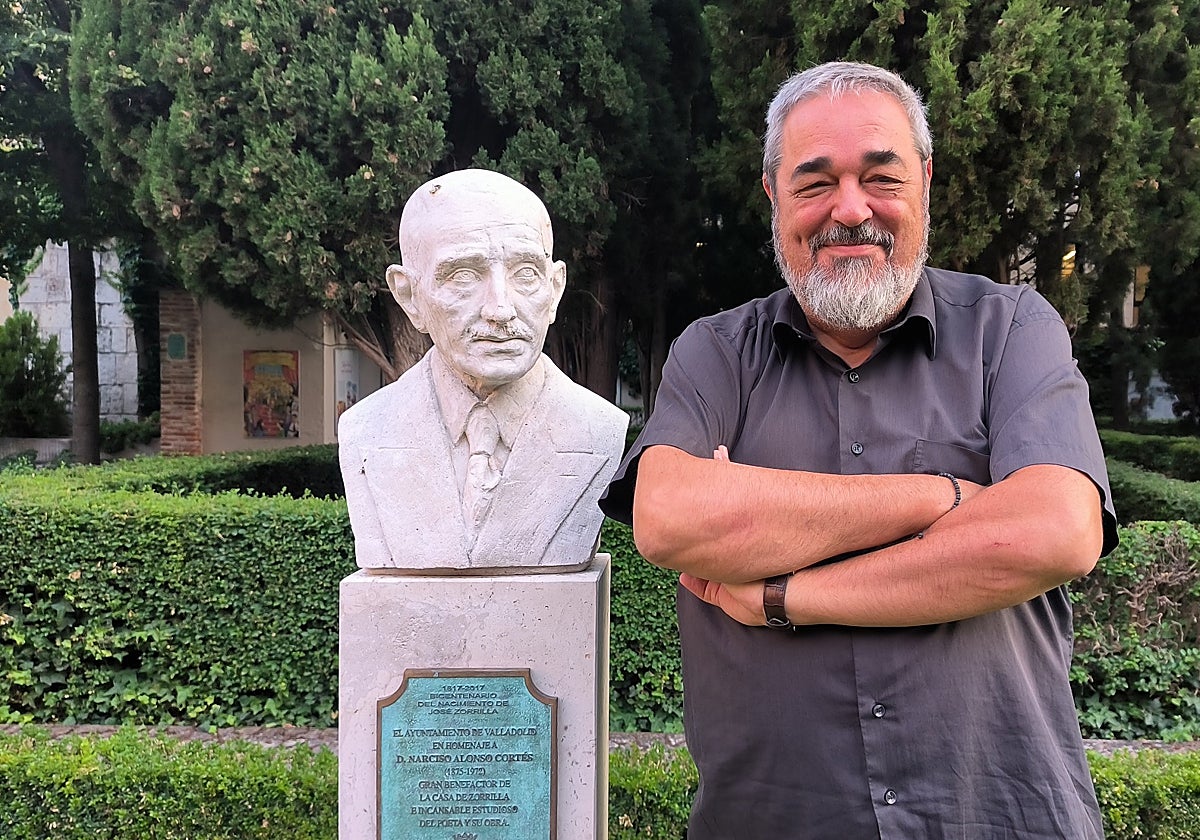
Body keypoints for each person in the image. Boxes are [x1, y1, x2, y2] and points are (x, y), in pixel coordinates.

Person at [601, 62, 1118, 838]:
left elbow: (1055, 532)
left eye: (881, 175)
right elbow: (671, 519)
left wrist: (782, 596)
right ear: (774, 194)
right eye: (815, 183)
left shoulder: (1012, 329)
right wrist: (938, 497)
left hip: (1000, 817)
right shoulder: (714, 354)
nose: (850, 210)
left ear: (925, 182)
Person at [339, 168, 627, 574]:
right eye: (463, 276)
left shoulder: (598, 430)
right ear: (409, 296)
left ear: (554, 289)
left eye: (525, 274)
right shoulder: (366, 431)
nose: (501, 309)